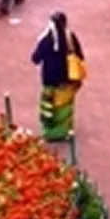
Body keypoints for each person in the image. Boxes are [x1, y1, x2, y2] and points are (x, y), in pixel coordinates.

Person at [31, 11, 84, 141]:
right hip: (67, 80)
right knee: (64, 107)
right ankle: (63, 132)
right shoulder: (70, 37)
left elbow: (35, 58)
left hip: (49, 80)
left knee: (49, 107)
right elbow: (80, 56)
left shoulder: (47, 39)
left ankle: (50, 133)